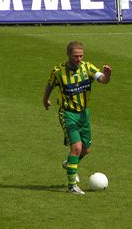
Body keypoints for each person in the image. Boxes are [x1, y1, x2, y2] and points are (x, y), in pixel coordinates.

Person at [43, 41, 112, 195]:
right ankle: (71, 186)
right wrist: (45, 99)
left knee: (86, 150)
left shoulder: (87, 68)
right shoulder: (58, 71)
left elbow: (102, 79)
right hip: (67, 114)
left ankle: (69, 164)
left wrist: (107, 75)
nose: (79, 59)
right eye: (76, 56)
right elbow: (50, 84)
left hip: (83, 114)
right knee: (76, 148)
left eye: (81, 56)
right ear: (68, 55)